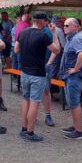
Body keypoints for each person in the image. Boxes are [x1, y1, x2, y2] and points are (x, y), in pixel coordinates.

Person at [14, 11, 60, 142]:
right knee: (35, 102)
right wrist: (54, 33)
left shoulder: (22, 32)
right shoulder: (43, 35)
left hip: (24, 72)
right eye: (46, 21)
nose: (47, 23)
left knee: (25, 100)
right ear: (42, 21)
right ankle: (30, 132)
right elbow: (56, 50)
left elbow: (16, 50)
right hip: (37, 74)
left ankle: (24, 128)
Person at [59, 18, 82, 140]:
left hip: (74, 77)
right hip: (69, 77)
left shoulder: (76, 39)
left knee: (74, 103)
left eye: (67, 25)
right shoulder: (70, 39)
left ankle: (79, 132)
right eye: (64, 25)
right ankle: (75, 126)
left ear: (76, 27)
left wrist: (76, 69)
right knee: (72, 102)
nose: (64, 27)